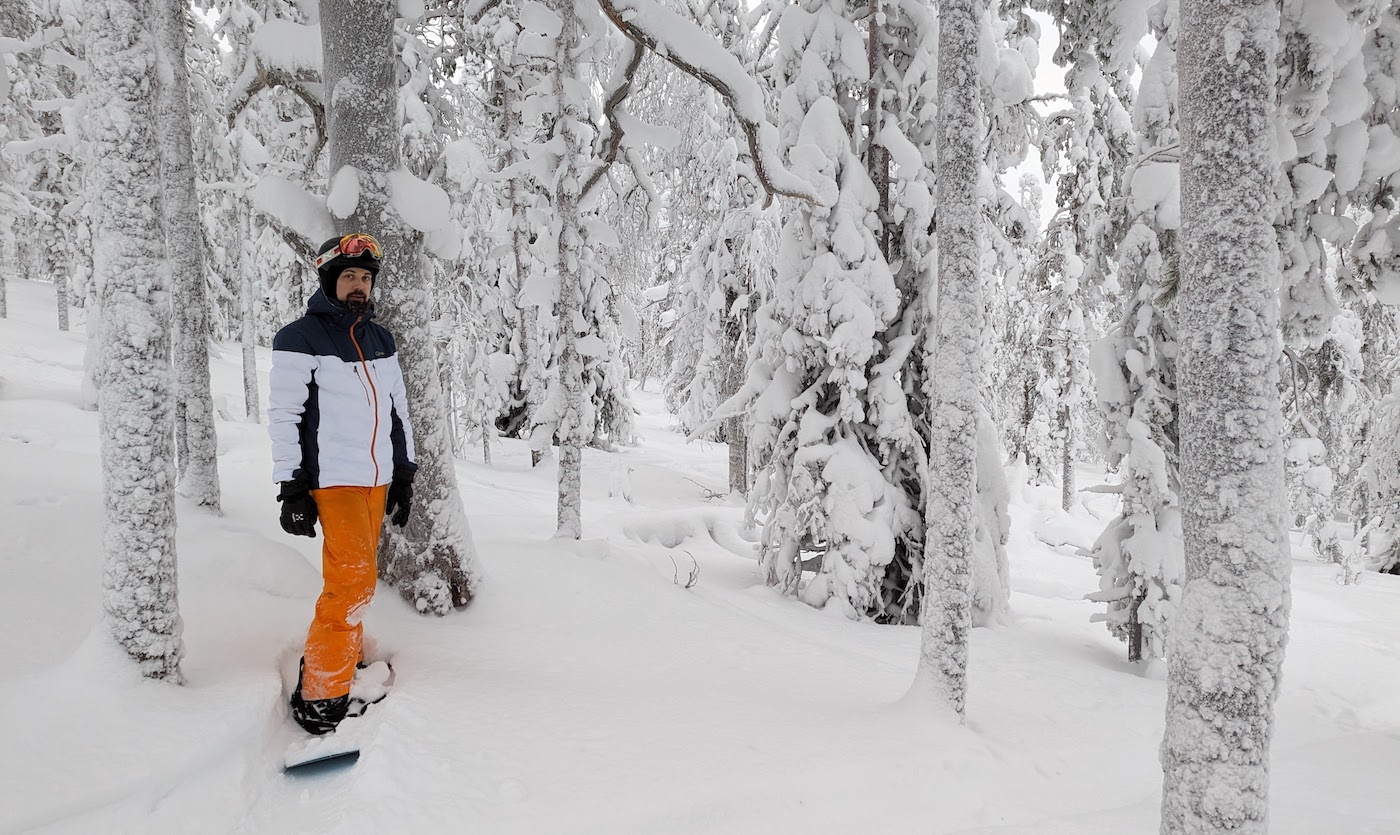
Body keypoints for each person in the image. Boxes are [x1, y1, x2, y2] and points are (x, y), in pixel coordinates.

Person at [268, 233, 417, 735]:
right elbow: (285, 417)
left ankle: (342, 662)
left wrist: (404, 472)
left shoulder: (380, 339)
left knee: (357, 582)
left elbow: (397, 410)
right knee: (350, 584)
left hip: (376, 480)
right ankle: (321, 699)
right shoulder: (299, 338)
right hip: (335, 482)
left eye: (365, 278)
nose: (359, 286)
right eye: (349, 276)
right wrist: (291, 488)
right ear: (329, 280)